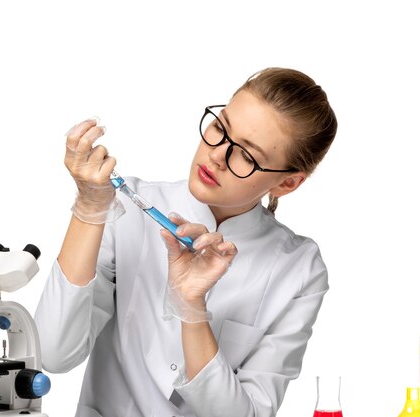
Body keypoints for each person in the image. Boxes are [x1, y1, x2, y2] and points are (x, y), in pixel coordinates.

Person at [34, 67, 338, 417]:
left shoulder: (299, 268)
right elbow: (53, 354)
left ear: (287, 184)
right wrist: (88, 211)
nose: (217, 155)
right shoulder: (126, 209)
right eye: (220, 128)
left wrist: (192, 309)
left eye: (247, 156)